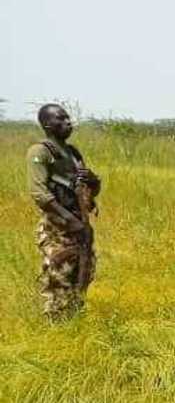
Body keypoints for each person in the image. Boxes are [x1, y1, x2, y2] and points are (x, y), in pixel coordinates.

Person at [26, 103, 101, 320]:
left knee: (82, 276)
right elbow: (40, 194)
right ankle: (55, 327)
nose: (68, 122)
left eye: (68, 118)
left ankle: (74, 322)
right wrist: (70, 221)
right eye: (61, 118)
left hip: (79, 223)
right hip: (57, 227)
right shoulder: (40, 151)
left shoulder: (73, 153)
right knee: (58, 277)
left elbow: (88, 191)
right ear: (47, 124)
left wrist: (94, 181)